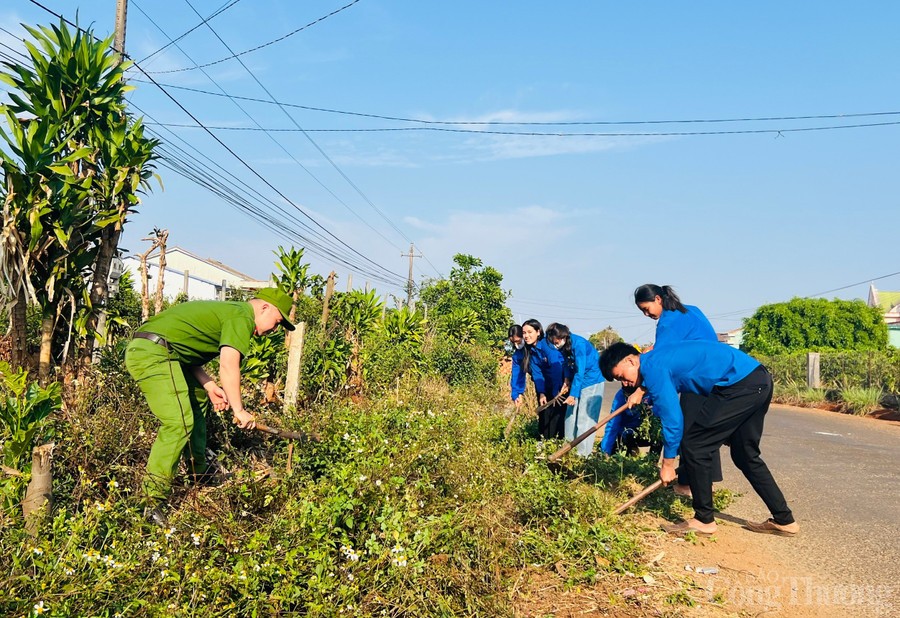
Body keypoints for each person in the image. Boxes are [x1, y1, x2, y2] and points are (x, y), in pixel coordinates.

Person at [125, 287, 296, 526]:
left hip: (166, 352)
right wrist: (239, 410)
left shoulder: (232, 312)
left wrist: (208, 385)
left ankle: (199, 474)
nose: (274, 330)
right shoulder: (242, 316)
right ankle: (149, 502)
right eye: (277, 322)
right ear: (264, 307)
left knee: (198, 401)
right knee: (178, 423)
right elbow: (228, 364)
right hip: (154, 353)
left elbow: (182, 348)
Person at [600, 341, 798, 537]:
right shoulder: (655, 360)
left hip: (738, 385)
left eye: (622, 376)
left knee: (695, 445)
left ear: (631, 361)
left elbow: (673, 420)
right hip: (758, 379)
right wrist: (642, 389)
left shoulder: (653, 368)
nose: (624, 383)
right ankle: (784, 519)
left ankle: (704, 519)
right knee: (745, 455)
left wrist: (668, 464)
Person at [634, 284, 722, 497]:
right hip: (716, 374)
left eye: (646, 309)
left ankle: (686, 484)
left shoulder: (668, 322)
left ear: (658, 299)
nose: (646, 314)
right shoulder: (690, 309)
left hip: (696, 376)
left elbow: (659, 362)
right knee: (703, 429)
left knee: (686, 431)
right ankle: (707, 483)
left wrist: (641, 390)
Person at [545, 322, 604, 457]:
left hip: (591, 380)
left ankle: (583, 455)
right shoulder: (564, 347)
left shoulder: (579, 344)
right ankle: (568, 450)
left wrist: (573, 395)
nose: (555, 344)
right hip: (578, 380)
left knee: (584, 419)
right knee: (570, 416)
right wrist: (567, 380)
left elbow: (580, 371)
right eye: (553, 342)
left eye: (556, 341)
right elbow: (567, 363)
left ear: (563, 336)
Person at [521, 319, 567, 439]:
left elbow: (556, 368)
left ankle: (561, 441)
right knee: (545, 413)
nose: (526, 336)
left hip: (561, 382)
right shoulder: (532, 351)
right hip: (548, 384)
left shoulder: (547, 345)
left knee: (558, 413)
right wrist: (541, 393)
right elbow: (537, 374)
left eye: (530, 332)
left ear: (538, 332)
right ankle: (546, 440)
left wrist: (556, 391)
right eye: (524, 333)